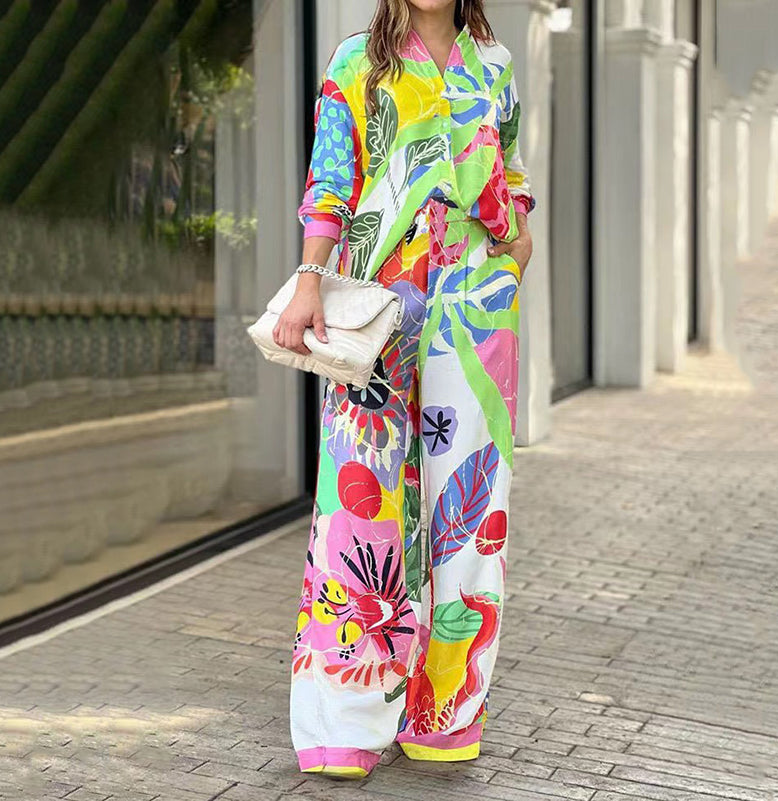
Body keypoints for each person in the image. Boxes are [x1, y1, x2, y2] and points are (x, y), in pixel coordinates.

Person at [274, 0, 535, 779]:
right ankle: (345, 716)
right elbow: (330, 184)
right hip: (376, 300)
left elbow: (512, 171)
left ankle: (445, 710)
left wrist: (516, 249)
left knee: (470, 507)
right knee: (360, 498)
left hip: (475, 305)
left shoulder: (495, 66)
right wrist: (309, 282)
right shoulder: (355, 61)